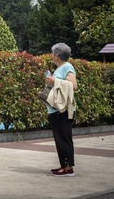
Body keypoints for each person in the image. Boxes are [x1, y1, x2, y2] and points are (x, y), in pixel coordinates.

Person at [45, 43, 78, 177]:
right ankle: (63, 165)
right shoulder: (60, 68)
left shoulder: (67, 67)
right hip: (56, 110)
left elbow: (73, 86)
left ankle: (68, 168)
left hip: (62, 110)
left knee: (64, 138)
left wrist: (54, 82)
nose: (51, 56)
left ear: (57, 55)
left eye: (52, 53)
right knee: (60, 139)